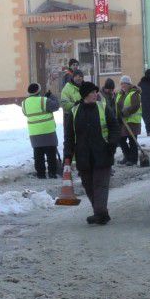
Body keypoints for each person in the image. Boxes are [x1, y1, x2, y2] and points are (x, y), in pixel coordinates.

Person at [63, 82, 120, 225]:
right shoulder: (75, 112)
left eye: (96, 92)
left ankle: (99, 213)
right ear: (85, 95)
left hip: (103, 153)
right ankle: (102, 214)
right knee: (88, 185)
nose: (96, 94)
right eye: (93, 92)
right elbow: (69, 136)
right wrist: (67, 154)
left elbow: (114, 127)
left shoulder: (103, 107)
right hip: (83, 156)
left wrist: (112, 144)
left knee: (100, 185)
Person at [22, 83, 61, 179]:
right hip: (48, 131)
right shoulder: (44, 100)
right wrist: (51, 96)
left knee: (38, 154)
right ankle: (52, 173)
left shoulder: (24, 103)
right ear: (39, 91)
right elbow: (56, 106)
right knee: (51, 153)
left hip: (34, 133)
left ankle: (41, 174)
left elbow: (25, 113)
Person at [116, 76, 143, 166]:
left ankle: (133, 159)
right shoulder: (121, 94)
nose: (122, 85)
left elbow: (136, 106)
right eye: (121, 83)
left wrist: (126, 111)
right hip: (123, 121)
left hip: (133, 121)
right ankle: (127, 156)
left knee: (132, 140)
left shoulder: (134, 93)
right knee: (121, 139)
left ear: (129, 84)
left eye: (124, 83)